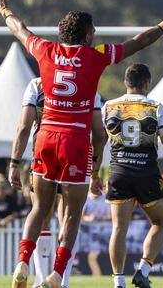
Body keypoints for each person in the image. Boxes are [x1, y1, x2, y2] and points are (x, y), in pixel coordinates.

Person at [0, 0, 163, 288]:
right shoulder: (95, 55)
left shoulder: (45, 49)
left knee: (39, 209)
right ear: (85, 36)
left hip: (46, 136)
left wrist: (5, 11)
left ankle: (22, 261)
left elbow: (21, 30)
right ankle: (57, 275)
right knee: (71, 214)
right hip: (76, 140)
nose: (95, 34)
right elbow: (138, 42)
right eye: (93, 31)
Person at [9, 76, 106, 287]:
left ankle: (30, 269)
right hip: (75, 152)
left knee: (40, 211)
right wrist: (96, 170)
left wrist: (14, 163)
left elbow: (23, 127)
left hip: (43, 150)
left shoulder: (36, 84)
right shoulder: (87, 83)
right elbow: (99, 133)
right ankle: (61, 278)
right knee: (69, 217)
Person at [102, 64, 163, 288]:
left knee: (119, 228)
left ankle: (118, 282)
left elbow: (98, 142)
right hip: (146, 173)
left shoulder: (109, 106)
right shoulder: (155, 106)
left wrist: (94, 174)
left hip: (118, 172)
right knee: (159, 221)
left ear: (125, 83)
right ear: (147, 83)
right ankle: (143, 270)